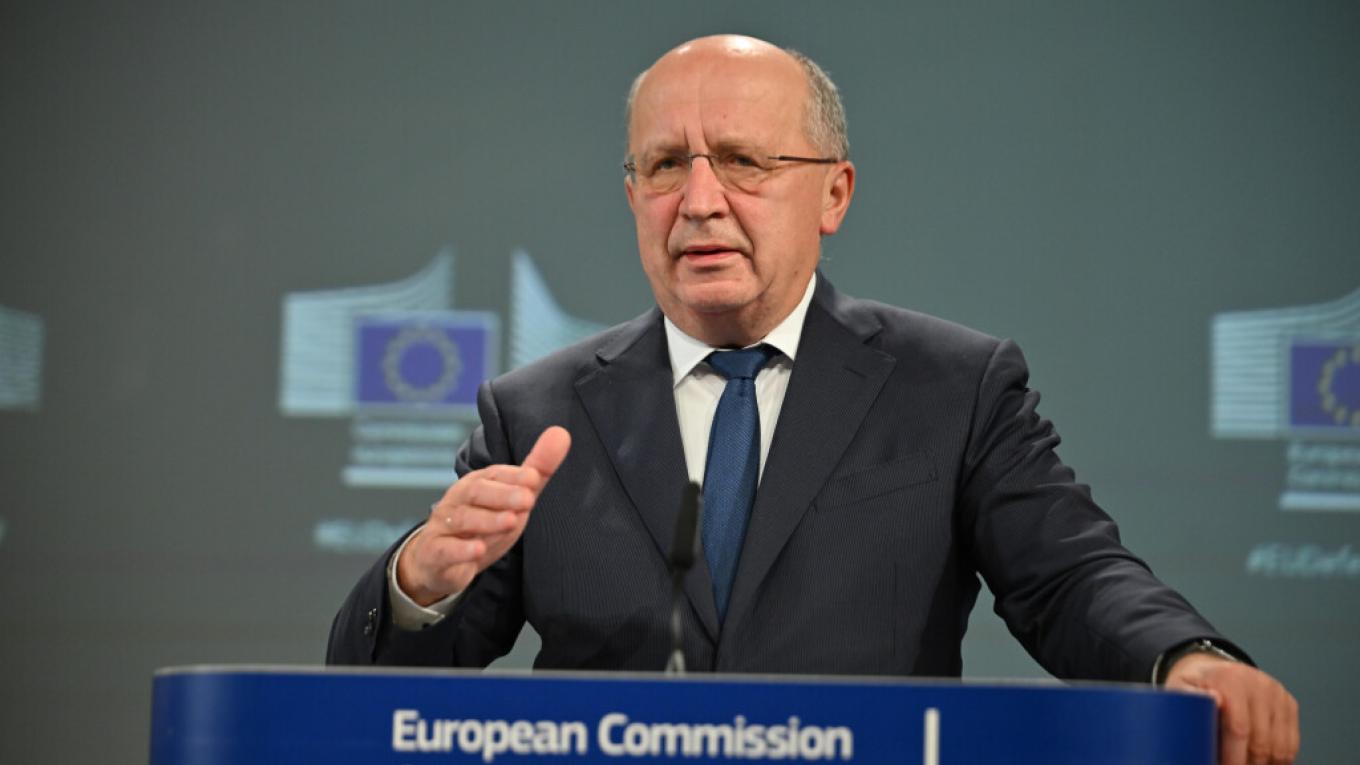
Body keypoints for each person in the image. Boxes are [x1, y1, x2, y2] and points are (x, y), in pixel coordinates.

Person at [329, 34, 1299, 765]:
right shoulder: (535, 409)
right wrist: (419, 580)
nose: (698, 200)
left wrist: (1185, 658)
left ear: (833, 194)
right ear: (632, 196)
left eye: (743, 161)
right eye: (664, 165)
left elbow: (1071, 575)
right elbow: (377, 698)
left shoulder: (953, 387)